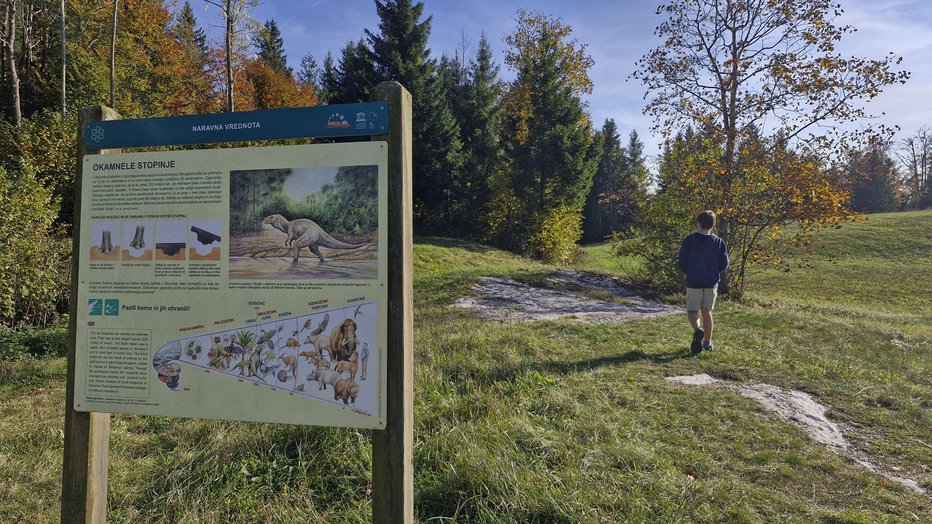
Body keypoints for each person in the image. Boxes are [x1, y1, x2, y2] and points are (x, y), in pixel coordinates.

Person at [677, 210, 729, 354]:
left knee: (693, 310)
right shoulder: (719, 242)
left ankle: (697, 329)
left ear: (698, 224)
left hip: (694, 280)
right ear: (712, 225)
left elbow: (682, 261)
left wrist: (689, 271)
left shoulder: (689, 240)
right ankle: (708, 342)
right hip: (711, 282)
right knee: (707, 312)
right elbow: (724, 263)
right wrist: (714, 272)